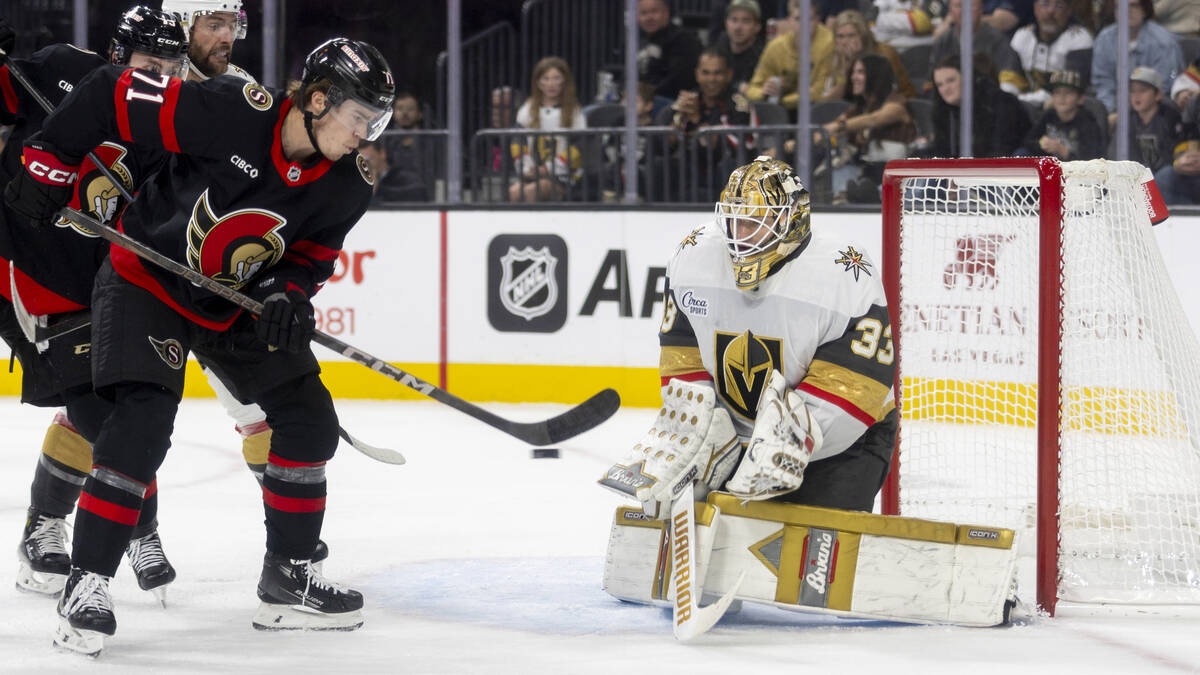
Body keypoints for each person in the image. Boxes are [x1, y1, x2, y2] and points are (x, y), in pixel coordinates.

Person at [4, 36, 394, 654]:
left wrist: (288, 296)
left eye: (376, 123)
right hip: (144, 282)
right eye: (359, 119)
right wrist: (49, 156)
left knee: (309, 420)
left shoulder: (348, 186)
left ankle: (288, 578)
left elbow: (307, 259)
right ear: (318, 99)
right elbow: (111, 91)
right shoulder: (232, 109)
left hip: (230, 305)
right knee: (140, 424)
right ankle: (87, 584)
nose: (364, 135)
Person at [0, 7, 194, 601]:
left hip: (101, 282)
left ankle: (43, 530)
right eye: (146, 62)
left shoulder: (175, 127)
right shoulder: (62, 70)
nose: (158, 74)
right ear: (117, 57)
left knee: (121, 408)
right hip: (27, 266)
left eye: (169, 63)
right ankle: (142, 529)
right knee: (96, 411)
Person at [602, 155, 896, 516]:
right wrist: (703, 427)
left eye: (756, 223)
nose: (740, 236)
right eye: (735, 220)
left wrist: (784, 439)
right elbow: (681, 348)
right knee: (721, 550)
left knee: (809, 561)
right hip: (739, 440)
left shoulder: (842, 272)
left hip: (843, 445)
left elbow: (858, 382)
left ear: (792, 222)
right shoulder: (695, 255)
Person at [824, 54, 916, 203]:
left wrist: (840, 127)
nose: (854, 77)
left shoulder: (897, 103)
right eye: (853, 72)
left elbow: (873, 119)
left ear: (876, 75)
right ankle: (845, 198)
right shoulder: (857, 109)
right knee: (841, 172)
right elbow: (830, 128)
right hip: (867, 173)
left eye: (860, 72)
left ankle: (868, 196)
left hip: (899, 176)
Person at [670, 49, 753, 200]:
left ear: (728, 74)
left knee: (728, 167)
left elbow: (732, 147)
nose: (711, 79)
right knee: (664, 165)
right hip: (693, 171)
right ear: (697, 75)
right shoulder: (690, 99)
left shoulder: (738, 103)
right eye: (706, 73)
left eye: (717, 73)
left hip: (726, 171)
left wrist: (696, 119)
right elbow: (666, 144)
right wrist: (679, 119)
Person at [508, 56, 586, 203]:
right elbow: (517, 142)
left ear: (564, 81)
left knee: (534, 191)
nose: (551, 84)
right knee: (514, 192)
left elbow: (579, 148)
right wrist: (526, 168)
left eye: (557, 78)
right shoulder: (528, 109)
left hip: (562, 177)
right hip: (532, 172)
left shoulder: (574, 112)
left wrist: (548, 168)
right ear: (538, 82)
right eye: (546, 78)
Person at [926, 52, 1032, 156]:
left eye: (951, 81)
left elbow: (1001, 151)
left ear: (968, 79)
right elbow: (943, 152)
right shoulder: (943, 112)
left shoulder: (1002, 104)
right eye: (940, 85)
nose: (945, 89)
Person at [1091, 0, 1183, 118]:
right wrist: (1108, 114)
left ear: (1145, 9)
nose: (1127, 11)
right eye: (1120, 7)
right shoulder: (1104, 40)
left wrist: (1129, 115)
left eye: (1134, 5)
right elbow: (1103, 84)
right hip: (1115, 113)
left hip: (1155, 113)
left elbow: (1163, 87)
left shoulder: (1163, 42)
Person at [745, 1, 836, 111]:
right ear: (789, 21)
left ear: (817, 20)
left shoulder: (829, 44)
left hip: (815, 109)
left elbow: (820, 91)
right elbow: (752, 89)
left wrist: (782, 100)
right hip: (781, 110)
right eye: (798, 19)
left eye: (809, 19)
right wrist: (765, 92)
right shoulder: (775, 47)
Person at [1005, 0, 1094, 106]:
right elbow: (1010, 79)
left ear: (1069, 11)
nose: (1051, 11)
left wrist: (1019, 100)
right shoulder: (1022, 35)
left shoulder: (1079, 38)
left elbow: (1066, 91)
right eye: (1045, 4)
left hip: (1065, 109)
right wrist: (1008, 99)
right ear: (1035, 9)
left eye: (1059, 5)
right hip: (1024, 107)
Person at [820, 10, 918, 100]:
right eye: (840, 36)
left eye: (851, 35)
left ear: (864, 36)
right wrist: (844, 72)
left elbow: (885, 97)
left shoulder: (884, 55)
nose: (845, 42)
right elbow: (829, 104)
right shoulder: (834, 55)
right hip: (852, 109)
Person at [931, 0, 1024, 92]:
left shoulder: (998, 40)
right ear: (950, 11)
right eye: (958, 6)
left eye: (971, 6)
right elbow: (931, 83)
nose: (965, 11)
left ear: (981, 9)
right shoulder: (943, 42)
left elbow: (1010, 85)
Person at [1018, 69, 1105, 159]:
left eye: (1068, 93)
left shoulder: (1088, 123)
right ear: (1052, 97)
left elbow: (1092, 160)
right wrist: (1041, 143)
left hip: (1075, 170)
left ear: (1080, 99)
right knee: (1021, 153)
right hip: (1049, 167)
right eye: (1057, 92)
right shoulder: (1049, 115)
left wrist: (1065, 152)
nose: (1062, 97)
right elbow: (1028, 141)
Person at [162, 0, 254, 82]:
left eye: (232, 27)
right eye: (215, 27)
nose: (228, 39)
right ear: (181, 27)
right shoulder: (154, 81)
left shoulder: (241, 82)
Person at [1116, 67, 1184, 171]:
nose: (1136, 95)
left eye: (1143, 90)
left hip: (1165, 174)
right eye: (1133, 91)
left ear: (1158, 95)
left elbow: (1173, 155)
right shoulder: (1128, 119)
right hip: (1137, 176)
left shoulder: (1169, 118)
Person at [637, 0, 704, 99]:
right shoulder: (635, 40)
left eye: (654, 11)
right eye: (643, 13)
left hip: (671, 100)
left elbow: (677, 82)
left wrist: (645, 96)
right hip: (641, 100)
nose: (649, 18)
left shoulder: (683, 40)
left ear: (666, 13)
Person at [712, 0, 767, 92]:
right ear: (726, 23)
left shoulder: (763, 56)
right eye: (734, 20)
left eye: (746, 21)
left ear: (757, 27)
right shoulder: (717, 50)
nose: (738, 27)